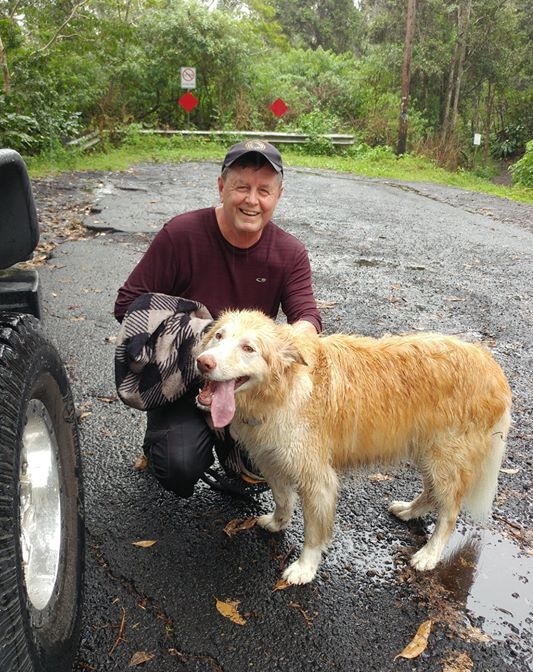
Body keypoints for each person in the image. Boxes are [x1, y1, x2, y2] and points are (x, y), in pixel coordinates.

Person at [114, 140, 322, 497]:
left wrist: (296, 339)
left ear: (279, 195)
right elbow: (128, 304)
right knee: (177, 466)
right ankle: (162, 440)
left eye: (264, 191)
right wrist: (197, 336)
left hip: (241, 382)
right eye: (241, 186)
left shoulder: (289, 253)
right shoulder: (181, 235)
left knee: (268, 466)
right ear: (222, 186)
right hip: (184, 376)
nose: (252, 200)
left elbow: (307, 315)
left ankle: (233, 453)